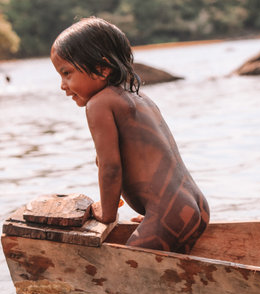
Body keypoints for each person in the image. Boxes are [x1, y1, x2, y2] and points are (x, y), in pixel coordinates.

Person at [50, 17, 209, 254]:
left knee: (128, 269)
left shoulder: (99, 104)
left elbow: (110, 166)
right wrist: (154, 220)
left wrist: (107, 211)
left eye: (67, 73)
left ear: (102, 68)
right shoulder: (141, 99)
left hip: (170, 213)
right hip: (196, 205)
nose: (63, 85)